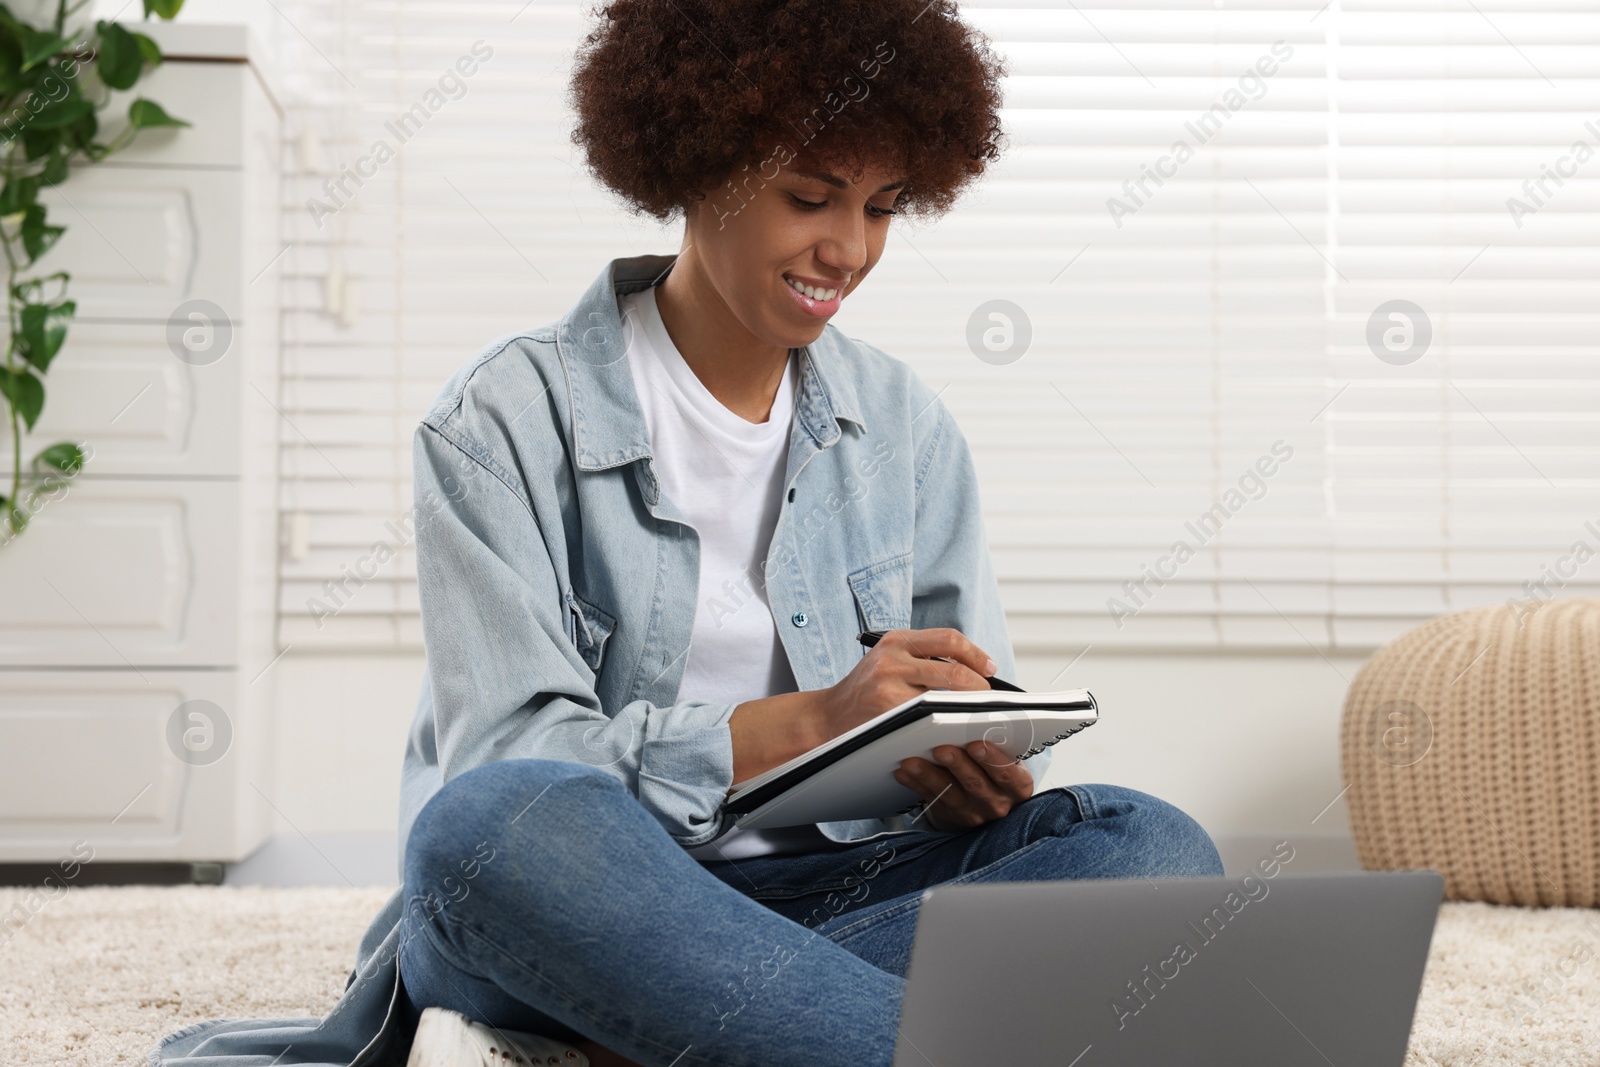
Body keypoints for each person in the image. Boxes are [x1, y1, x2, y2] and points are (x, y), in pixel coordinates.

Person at [151, 2, 1221, 1066]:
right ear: (697, 163)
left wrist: (958, 766)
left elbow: (955, 705)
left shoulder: (907, 430)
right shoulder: (503, 417)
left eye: (884, 207)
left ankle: (669, 1035)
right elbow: (511, 756)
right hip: (573, 898)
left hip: (823, 895)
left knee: (1153, 846)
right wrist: (810, 720)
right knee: (482, 827)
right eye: (810, 196)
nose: (846, 248)